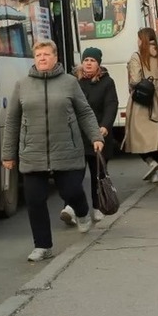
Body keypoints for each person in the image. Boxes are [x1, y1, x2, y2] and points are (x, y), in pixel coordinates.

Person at [2, 39, 104, 262]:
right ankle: (43, 246)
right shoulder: (22, 85)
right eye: (38, 55)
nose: (42, 59)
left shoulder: (69, 83)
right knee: (35, 200)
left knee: (70, 191)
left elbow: (85, 112)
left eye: (46, 55)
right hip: (33, 152)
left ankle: (82, 210)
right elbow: (12, 121)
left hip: (66, 149)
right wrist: (8, 154)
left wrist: (95, 136)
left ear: (55, 57)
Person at [60, 47, 119, 226]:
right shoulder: (73, 81)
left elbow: (111, 105)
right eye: (86, 60)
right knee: (73, 175)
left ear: (98, 64)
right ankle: (70, 208)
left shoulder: (107, 82)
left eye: (92, 61)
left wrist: (104, 127)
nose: (88, 63)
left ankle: (97, 207)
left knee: (97, 174)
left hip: (97, 137)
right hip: (77, 136)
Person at [123, 27, 158, 182]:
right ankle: (154, 173)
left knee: (136, 137)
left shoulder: (137, 57)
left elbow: (135, 80)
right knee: (154, 138)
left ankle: (151, 162)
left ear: (141, 40)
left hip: (142, 101)